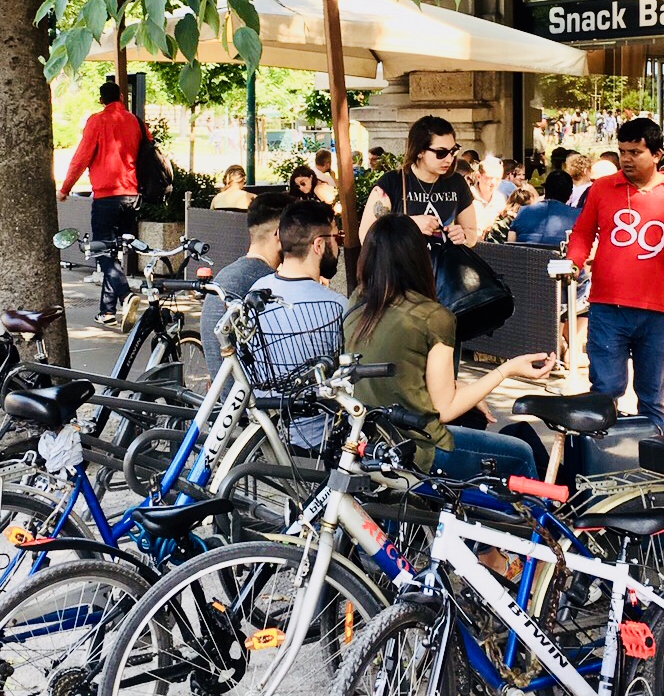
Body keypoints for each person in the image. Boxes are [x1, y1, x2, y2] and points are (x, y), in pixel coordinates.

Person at [344, 213, 554, 481]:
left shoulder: (358, 302)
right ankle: (534, 522)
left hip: (372, 442)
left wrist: (462, 387)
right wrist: (507, 370)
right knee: (521, 452)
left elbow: (405, 375)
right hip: (419, 449)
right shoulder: (434, 317)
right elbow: (445, 409)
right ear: (418, 257)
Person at [562, 117, 664, 431]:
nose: (626, 158)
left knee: (651, 397)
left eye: (635, 152)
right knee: (606, 390)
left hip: (657, 310)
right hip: (607, 307)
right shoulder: (602, 188)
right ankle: (601, 462)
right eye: (622, 151)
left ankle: (649, 464)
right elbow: (583, 233)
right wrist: (574, 262)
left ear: (656, 154)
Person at [249, 199, 349, 448]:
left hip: (267, 431)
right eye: (336, 238)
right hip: (320, 441)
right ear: (318, 244)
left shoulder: (256, 291)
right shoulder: (336, 306)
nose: (338, 246)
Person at [57, 80, 147, 326]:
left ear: (101, 100)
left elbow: (81, 157)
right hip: (132, 196)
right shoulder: (135, 122)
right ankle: (107, 311)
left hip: (107, 197)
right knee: (116, 252)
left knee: (101, 251)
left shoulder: (97, 121)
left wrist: (65, 188)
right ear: (121, 96)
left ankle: (126, 295)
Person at [200, 192, 290, 379]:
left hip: (225, 402)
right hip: (255, 403)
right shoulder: (267, 284)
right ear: (280, 234)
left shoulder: (225, 276)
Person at [358, 115, 477, 245]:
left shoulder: (456, 182)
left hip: (444, 263)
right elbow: (367, 236)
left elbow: (472, 233)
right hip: (403, 264)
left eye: (453, 151)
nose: (449, 159)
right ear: (420, 151)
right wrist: (409, 226)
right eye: (440, 153)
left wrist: (463, 236)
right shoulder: (392, 182)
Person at [471, 155, 506, 238]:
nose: (493, 182)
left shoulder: (499, 199)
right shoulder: (468, 197)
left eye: (498, 179)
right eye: (489, 178)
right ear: (478, 176)